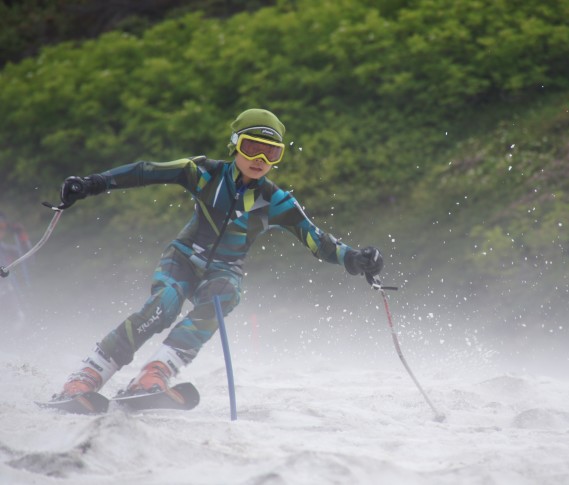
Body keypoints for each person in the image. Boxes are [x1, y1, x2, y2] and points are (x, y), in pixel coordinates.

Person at [52, 108, 383, 400]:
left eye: (271, 153)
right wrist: (93, 183)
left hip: (224, 270)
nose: (260, 160)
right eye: (252, 148)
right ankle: (88, 375)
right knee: (163, 306)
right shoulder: (203, 173)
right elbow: (144, 170)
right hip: (182, 258)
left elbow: (319, 242)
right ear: (234, 144)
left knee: (224, 295)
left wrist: (355, 258)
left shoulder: (277, 200)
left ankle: (156, 373)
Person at [0, 211, 33, 324]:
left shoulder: (4, 249)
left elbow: (27, 257)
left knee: (17, 322)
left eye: (2, 226)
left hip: (8, 297)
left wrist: (22, 237)